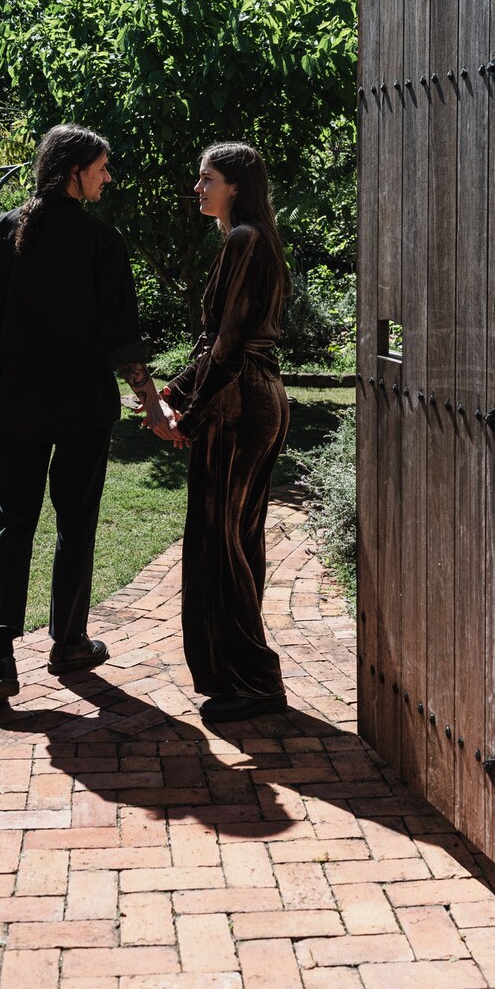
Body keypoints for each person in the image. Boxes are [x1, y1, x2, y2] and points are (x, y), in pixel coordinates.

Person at [0, 124, 170, 704]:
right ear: (72, 171)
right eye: (102, 167)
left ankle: (1, 659)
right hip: (83, 408)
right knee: (74, 522)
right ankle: (70, 641)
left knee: (10, 524)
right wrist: (151, 401)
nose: (108, 177)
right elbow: (122, 339)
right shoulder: (101, 242)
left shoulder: (0, 230)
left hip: (15, 407)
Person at [159, 142, 291, 723]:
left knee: (223, 541)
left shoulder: (245, 240)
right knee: (237, 536)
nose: (198, 188)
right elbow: (220, 346)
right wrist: (172, 392)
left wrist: (189, 414)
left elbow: (230, 346)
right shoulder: (253, 239)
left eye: (207, 178)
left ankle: (255, 680)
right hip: (255, 397)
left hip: (242, 407)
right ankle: (240, 673)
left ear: (235, 185)